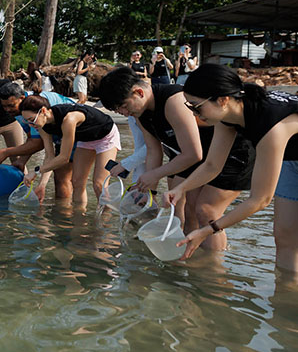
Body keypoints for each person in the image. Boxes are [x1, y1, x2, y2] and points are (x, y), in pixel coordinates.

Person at [98, 66, 254, 251]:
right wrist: (149, 192)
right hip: (198, 157)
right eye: (118, 110)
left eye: (123, 106)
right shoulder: (140, 113)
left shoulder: (173, 101)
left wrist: (154, 175)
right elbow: (153, 151)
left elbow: (193, 153)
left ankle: (213, 268)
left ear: (139, 92)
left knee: (206, 211)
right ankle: (189, 260)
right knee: (188, 211)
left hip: (233, 153)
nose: (124, 113)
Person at [164, 64, 298, 271]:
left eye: (196, 106)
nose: (193, 115)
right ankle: (286, 293)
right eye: (189, 107)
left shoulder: (272, 128)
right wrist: (181, 188)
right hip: (290, 158)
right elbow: (212, 165)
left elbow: (260, 200)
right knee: (284, 235)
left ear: (223, 99)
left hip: (285, 149)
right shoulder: (227, 117)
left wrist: (208, 230)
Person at [20, 94, 121, 203]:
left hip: (105, 136)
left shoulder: (69, 119)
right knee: (77, 182)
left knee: (99, 183)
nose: (30, 125)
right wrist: (42, 185)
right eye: (27, 122)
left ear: (43, 111)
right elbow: (50, 157)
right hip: (85, 139)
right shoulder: (41, 126)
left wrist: (35, 172)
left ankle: (105, 218)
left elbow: (64, 158)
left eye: (32, 119)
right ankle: (79, 217)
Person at [0, 82, 75, 201]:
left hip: (76, 131)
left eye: (11, 105)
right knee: (61, 178)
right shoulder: (19, 111)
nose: (7, 110)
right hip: (58, 135)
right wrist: (22, 160)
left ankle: (65, 213)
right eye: (4, 106)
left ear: (22, 98)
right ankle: (63, 211)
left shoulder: (33, 107)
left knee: (63, 178)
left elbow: (38, 143)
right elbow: (32, 138)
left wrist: (6, 152)